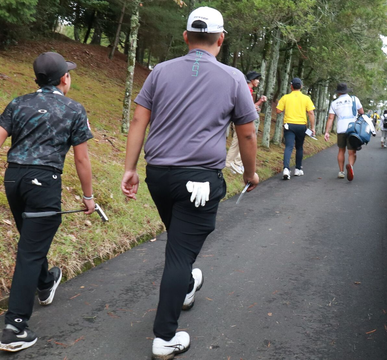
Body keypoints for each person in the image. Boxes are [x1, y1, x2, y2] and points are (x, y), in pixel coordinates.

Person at [121, 7, 259, 359]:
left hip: (160, 176)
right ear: (221, 39)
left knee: (179, 246)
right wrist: (249, 173)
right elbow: (246, 133)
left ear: (185, 37)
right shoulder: (232, 78)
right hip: (199, 180)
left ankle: (185, 284)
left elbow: (139, 118)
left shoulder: (161, 72)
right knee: (180, 255)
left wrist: (129, 168)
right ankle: (165, 336)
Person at [0, 52, 95, 352]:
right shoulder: (74, 109)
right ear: (63, 79)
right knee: (29, 251)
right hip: (43, 183)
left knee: (32, 241)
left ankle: (45, 282)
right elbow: (82, 159)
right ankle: (15, 327)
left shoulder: (19, 103)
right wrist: (88, 197)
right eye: (68, 74)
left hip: (14, 180)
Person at [324, 82, 375, 181]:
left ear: (338, 92)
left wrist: (327, 132)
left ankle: (341, 171)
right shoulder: (354, 99)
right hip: (353, 128)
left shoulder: (334, 103)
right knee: (352, 152)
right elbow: (362, 112)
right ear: (346, 91)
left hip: (341, 128)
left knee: (341, 150)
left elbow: (330, 118)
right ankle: (350, 166)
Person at [225, 71, 267, 174]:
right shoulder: (247, 90)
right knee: (239, 142)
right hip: (242, 121)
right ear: (252, 80)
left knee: (237, 142)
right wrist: (258, 103)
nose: (258, 82)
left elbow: (249, 107)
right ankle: (233, 164)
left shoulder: (248, 90)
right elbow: (247, 107)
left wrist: (258, 103)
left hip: (241, 119)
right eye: (257, 79)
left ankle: (231, 164)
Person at [275, 77, 316, 180]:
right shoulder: (306, 98)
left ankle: (286, 169)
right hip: (301, 126)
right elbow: (311, 112)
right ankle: (297, 169)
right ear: (301, 87)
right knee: (299, 147)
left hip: (289, 125)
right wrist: (313, 127)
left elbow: (278, 111)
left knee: (289, 147)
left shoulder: (285, 97)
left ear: (291, 86)